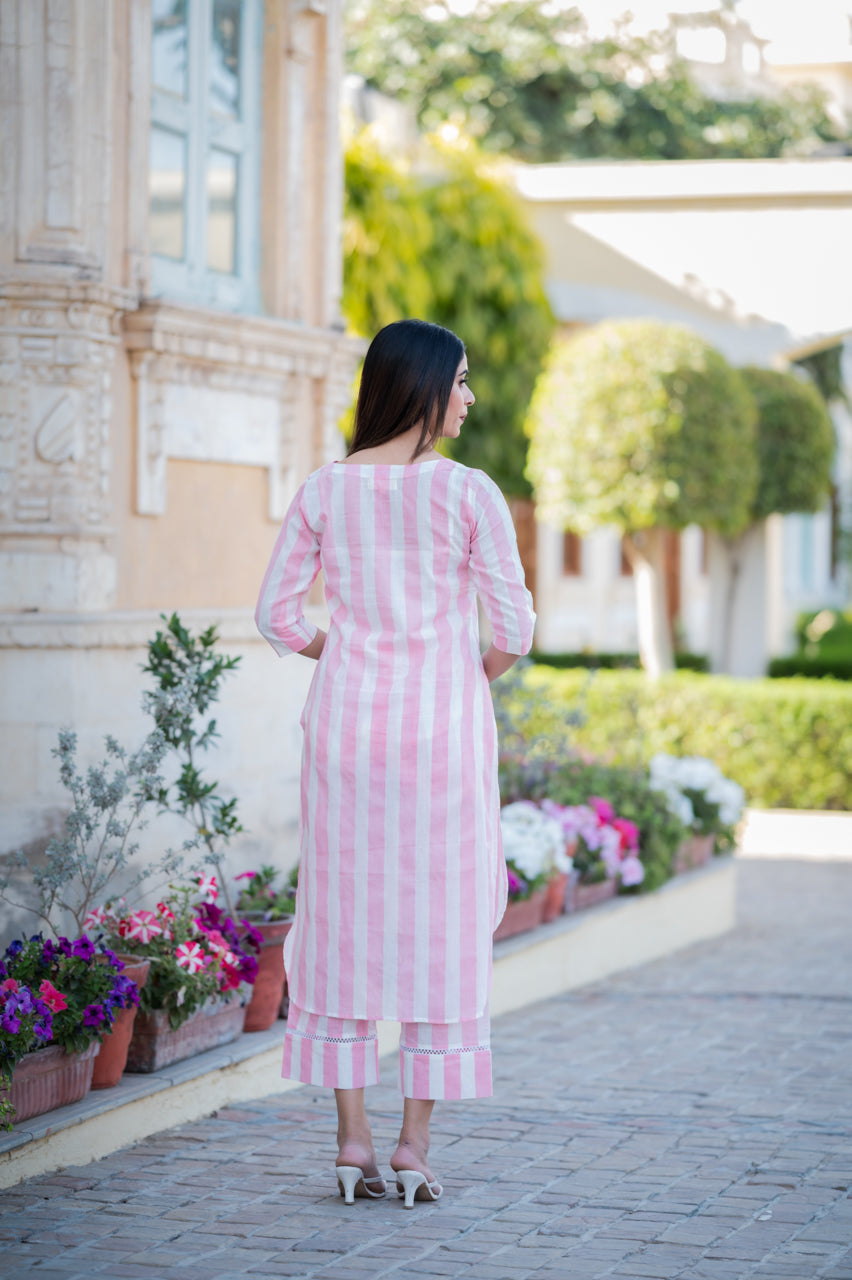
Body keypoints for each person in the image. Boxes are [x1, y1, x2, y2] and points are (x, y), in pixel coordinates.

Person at [255, 319, 535, 1208]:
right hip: (442, 741)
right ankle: (413, 1147)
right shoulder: (469, 493)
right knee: (440, 928)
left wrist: (342, 652)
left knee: (342, 920)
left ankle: (352, 1142)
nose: (470, 398)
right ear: (423, 387)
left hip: (345, 736)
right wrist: (460, 673)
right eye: (461, 381)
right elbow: (515, 629)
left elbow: (277, 616)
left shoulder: (324, 490)